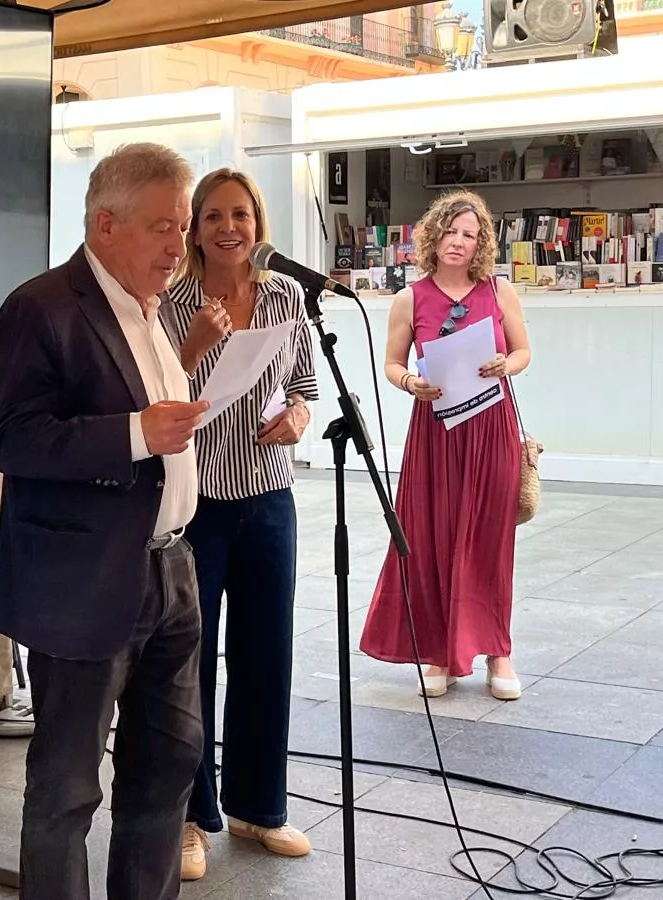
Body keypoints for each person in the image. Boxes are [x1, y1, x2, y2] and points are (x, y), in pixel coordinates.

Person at [0, 142, 210, 900]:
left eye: (183, 227)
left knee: (168, 766)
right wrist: (139, 432)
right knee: (67, 787)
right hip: (83, 581)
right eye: (163, 227)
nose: (179, 246)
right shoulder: (40, 307)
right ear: (106, 225)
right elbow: (16, 441)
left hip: (172, 568)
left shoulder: (154, 309)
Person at [158, 169, 317, 880]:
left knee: (266, 653)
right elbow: (153, 393)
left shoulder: (285, 295)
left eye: (241, 215)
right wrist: (193, 347)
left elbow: (304, 385)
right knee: (189, 662)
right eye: (215, 216)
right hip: (198, 501)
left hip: (268, 494)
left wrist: (298, 417)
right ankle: (189, 817)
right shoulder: (172, 302)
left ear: (259, 225)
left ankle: (259, 806)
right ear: (194, 229)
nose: (230, 228)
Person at [359, 190, 532, 701]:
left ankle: (498, 650)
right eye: (451, 231)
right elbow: (392, 364)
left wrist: (507, 364)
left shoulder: (499, 291)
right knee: (431, 536)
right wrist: (410, 382)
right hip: (435, 430)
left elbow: (523, 351)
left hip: (491, 427)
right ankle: (439, 651)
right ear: (434, 236)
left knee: (489, 540)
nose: (458, 241)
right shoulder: (410, 299)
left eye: (469, 235)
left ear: (481, 244)